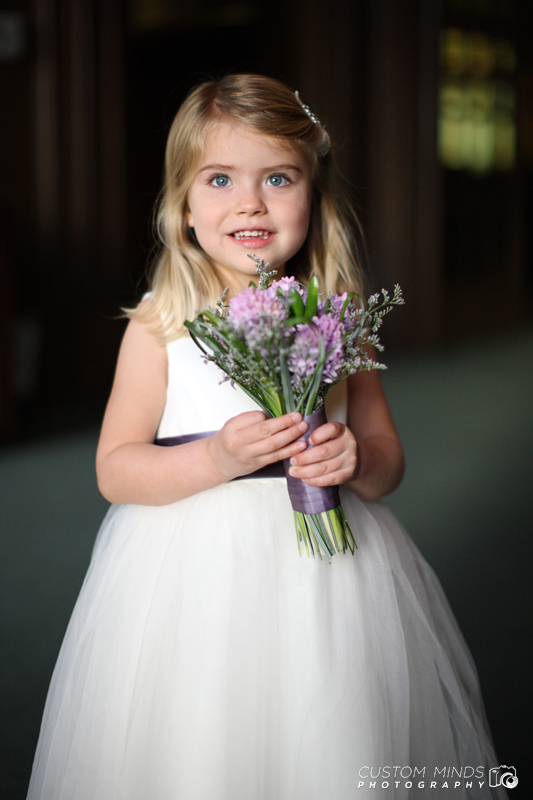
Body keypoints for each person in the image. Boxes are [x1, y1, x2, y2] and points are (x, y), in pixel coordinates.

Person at [27, 74, 507, 799]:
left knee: (330, 726)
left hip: (330, 571)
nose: (250, 202)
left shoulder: (338, 318)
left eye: (278, 178)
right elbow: (115, 469)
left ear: (313, 196)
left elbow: (387, 463)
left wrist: (355, 459)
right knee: (201, 738)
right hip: (192, 574)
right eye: (219, 179)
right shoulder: (162, 323)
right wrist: (216, 455)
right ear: (183, 208)